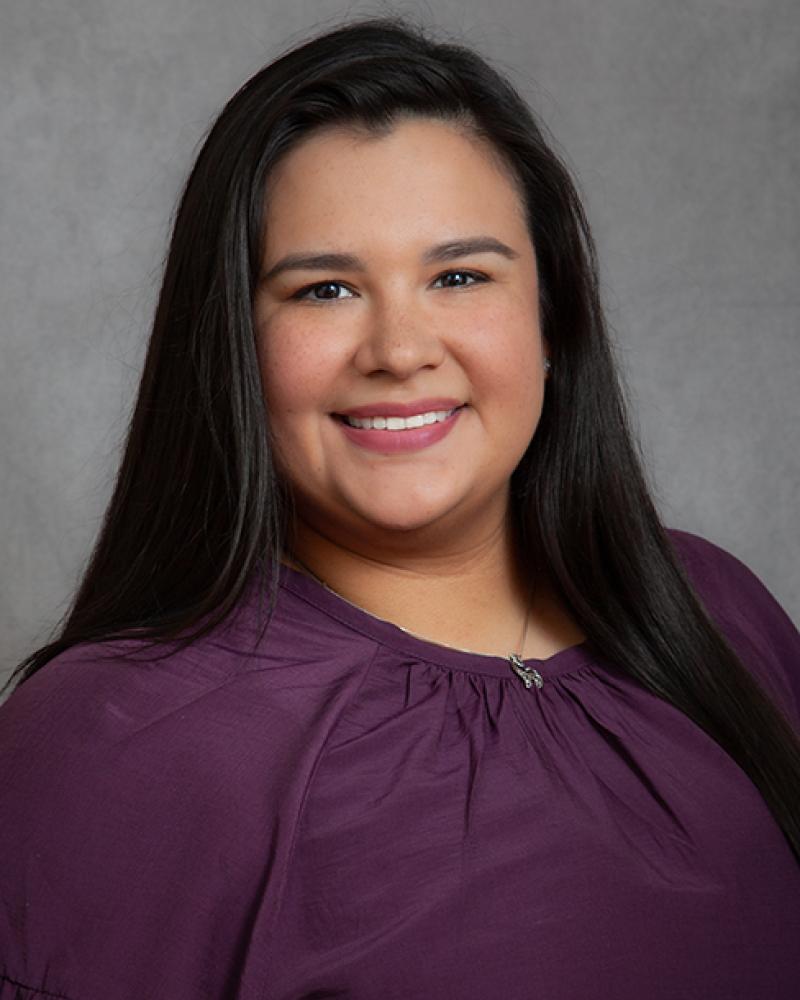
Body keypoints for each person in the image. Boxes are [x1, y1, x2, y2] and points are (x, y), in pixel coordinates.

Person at [1, 16, 799, 1000]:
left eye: (459, 276)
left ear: (552, 318)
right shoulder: (109, 739)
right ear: (232, 347)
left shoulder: (714, 608)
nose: (397, 348)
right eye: (325, 288)